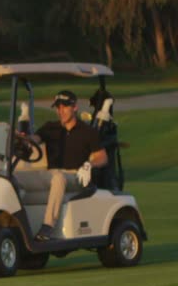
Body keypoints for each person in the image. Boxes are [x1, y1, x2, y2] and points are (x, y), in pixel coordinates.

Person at [15, 90, 108, 241]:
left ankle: (47, 227)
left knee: (58, 178)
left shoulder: (87, 131)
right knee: (14, 177)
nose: (61, 111)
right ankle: (16, 225)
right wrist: (23, 139)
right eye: (58, 107)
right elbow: (35, 139)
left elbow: (102, 157)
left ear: (75, 107)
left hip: (76, 176)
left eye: (65, 107)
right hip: (51, 174)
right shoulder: (50, 127)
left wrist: (88, 164)